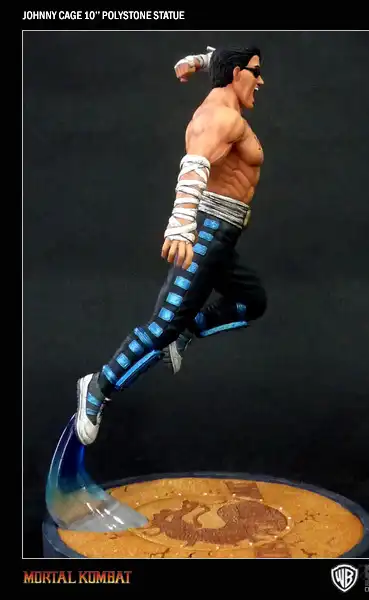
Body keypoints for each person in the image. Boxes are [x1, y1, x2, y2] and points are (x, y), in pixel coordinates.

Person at [75, 45, 267, 445]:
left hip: (224, 239)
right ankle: (98, 385)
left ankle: (187, 330)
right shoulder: (219, 118)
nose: (261, 81)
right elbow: (195, 163)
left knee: (251, 302)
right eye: (256, 72)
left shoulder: (228, 104)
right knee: (162, 327)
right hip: (206, 234)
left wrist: (199, 61)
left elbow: (222, 60)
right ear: (236, 75)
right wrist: (181, 224)